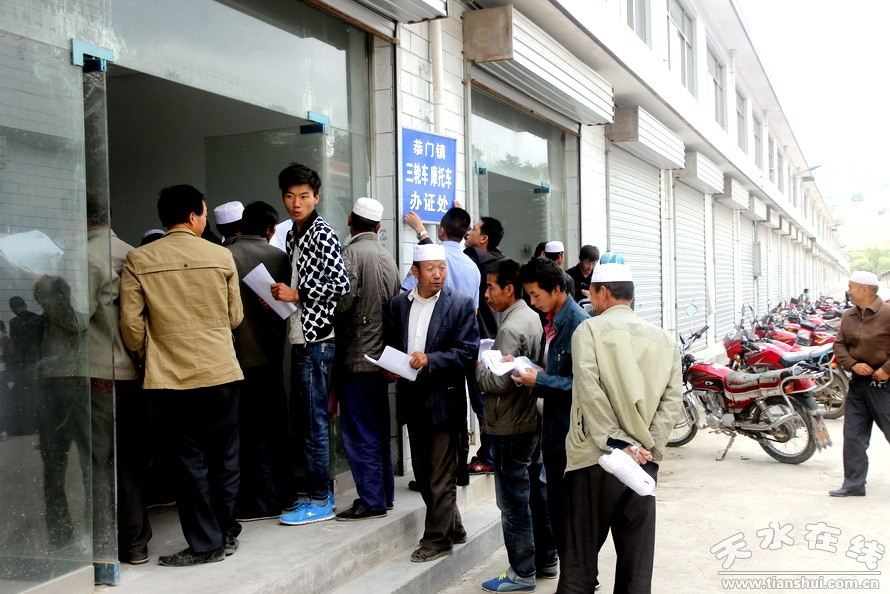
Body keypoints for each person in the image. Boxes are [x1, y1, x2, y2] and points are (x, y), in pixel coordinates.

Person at [120, 184, 244, 567]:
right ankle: (225, 532)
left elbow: (131, 325)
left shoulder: (139, 259)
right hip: (221, 370)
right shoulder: (221, 255)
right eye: (204, 212)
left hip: (171, 377)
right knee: (225, 456)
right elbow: (235, 316)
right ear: (193, 217)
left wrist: (150, 354)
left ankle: (206, 543)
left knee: (189, 461)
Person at [559, 262, 682, 594]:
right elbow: (672, 402)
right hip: (642, 464)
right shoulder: (665, 341)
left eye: (591, 293)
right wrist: (647, 448)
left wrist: (616, 442)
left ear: (603, 292)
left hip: (595, 459)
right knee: (636, 568)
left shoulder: (588, 331)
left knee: (579, 565)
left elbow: (589, 391)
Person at [385, 244, 479, 562]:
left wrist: (430, 360)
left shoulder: (460, 304)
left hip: (444, 399)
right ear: (415, 272)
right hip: (412, 399)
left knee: (441, 475)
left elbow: (468, 351)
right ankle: (454, 526)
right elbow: (393, 344)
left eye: (442, 268)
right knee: (424, 474)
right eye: (430, 269)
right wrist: (389, 365)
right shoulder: (399, 304)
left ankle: (438, 540)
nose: (438, 275)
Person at [271, 163, 350, 526]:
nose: (296, 203)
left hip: (318, 340)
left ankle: (319, 499)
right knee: (307, 419)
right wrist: (281, 298)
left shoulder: (321, 232)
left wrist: (297, 294)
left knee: (313, 421)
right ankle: (320, 494)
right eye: (290, 196)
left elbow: (341, 284)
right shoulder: (293, 234)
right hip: (301, 335)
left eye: (304, 196)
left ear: (316, 197)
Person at [477, 259, 558, 592]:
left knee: (513, 502)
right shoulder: (530, 316)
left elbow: (500, 381)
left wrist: (480, 367)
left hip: (511, 423)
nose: (486, 295)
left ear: (509, 290)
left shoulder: (510, 327)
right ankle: (547, 560)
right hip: (530, 419)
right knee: (536, 493)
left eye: (490, 287)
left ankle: (521, 571)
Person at [85, 189, 150, 564]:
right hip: (130, 371)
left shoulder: (85, 256)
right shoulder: (131, 253)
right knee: (129, 460)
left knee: (99, 463)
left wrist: (46, 286)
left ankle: (104, 545)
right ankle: (136, 542)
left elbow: (76, 317)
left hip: (100, 369)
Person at [516, 257, 588, 559]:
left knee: (568, 509)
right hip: (553, 429)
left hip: (568, 433)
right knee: (556, 505)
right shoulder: (552, 319)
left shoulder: (578, 324)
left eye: (536, 295)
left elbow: (584, 385)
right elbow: (554, 367)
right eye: (529, 296)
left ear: (556, 289)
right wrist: (524, 366)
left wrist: (540, 380)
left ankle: (576, 571)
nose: (533, 303)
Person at [224, 201, 292, 520]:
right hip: (272, 354)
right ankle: (284, 494)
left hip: (238, 356)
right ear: (270, 229)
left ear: (241, 226)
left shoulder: (226, 256)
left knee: (247, 431)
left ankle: (257, 499)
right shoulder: (280, 257)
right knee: (276, 426)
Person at [334, 197, 400, 520]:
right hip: (382, 358)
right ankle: (383, 495)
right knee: (378, 428)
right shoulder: (388, 257)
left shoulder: (350, 254)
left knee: (359, 431)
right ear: (378, 226)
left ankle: (372, 500)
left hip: (358, 356)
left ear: (350, 220)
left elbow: (342, 303)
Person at [32, 274, 90, 548]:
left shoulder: (76, 321)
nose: (46, 303)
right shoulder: (38, 325)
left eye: (49, 296)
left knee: (89, 467)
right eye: (42, 297)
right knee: (54, 472)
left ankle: (92, 530)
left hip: (77, 396)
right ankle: (59, 532)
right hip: (51, 400)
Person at [829, 270, 890, 498]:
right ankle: (854, 483)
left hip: (884, 386)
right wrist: (853, 364)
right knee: (853, 436)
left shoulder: (887, 313)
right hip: (858, 385)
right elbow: (839, 345)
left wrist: (886, 369)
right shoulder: (849, 316)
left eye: (851, 287)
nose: (849, 292)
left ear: (865, 289)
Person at [6, 296, 41, 435]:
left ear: (12, 309)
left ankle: (28, 427)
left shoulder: (14, 322)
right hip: (37, 362)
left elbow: (13, 345)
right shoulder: (37, 319)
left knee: (24, 396)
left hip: (21, 363)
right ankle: (38, 426)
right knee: (37, 394)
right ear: (25, 305)